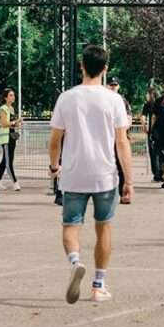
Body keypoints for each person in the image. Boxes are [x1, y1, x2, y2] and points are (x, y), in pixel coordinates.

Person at [49, 45, 133, 304]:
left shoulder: (67, 98)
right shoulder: (114, 99)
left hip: (74, 174)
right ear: (105, 69)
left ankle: (75, 261)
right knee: (103, 228)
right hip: (105, 174)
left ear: (81, 65)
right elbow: (122, 142)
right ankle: (98, 284)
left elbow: (55, 140)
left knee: (71, 226)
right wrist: (129, 179)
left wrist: (54, 167)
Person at [106, 76, 134, 203]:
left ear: (118, 87)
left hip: (119, 137)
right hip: (105, 139)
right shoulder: (102, 101)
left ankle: (123, 194)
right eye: (111, 85)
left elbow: (128, 120)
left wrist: (120, 129)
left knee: (121, 166)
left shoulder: (123, 102)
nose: (113, 87)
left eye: (115, 85)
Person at [0, 88, 24, 191]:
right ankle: (15, 182)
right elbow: (3, 123)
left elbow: (11, 124)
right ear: (5, 97)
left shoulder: (11, 108)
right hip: (5, 137)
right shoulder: (3, 108)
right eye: (11, 95)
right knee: (8, 161)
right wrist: (15, 121)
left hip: (11, 136)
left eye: (13, 95)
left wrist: (16, 123)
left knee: (5, 160)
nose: (13, 97)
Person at [140, 89, 164, 182]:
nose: (146, 96)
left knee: (154, 154)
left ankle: (157, 176)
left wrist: (144, 128)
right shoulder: (163, 103)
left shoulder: (148, 105)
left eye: (147, 94)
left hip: (153, 132)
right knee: (163, 153)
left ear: (150, 95)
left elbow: (142, 118)